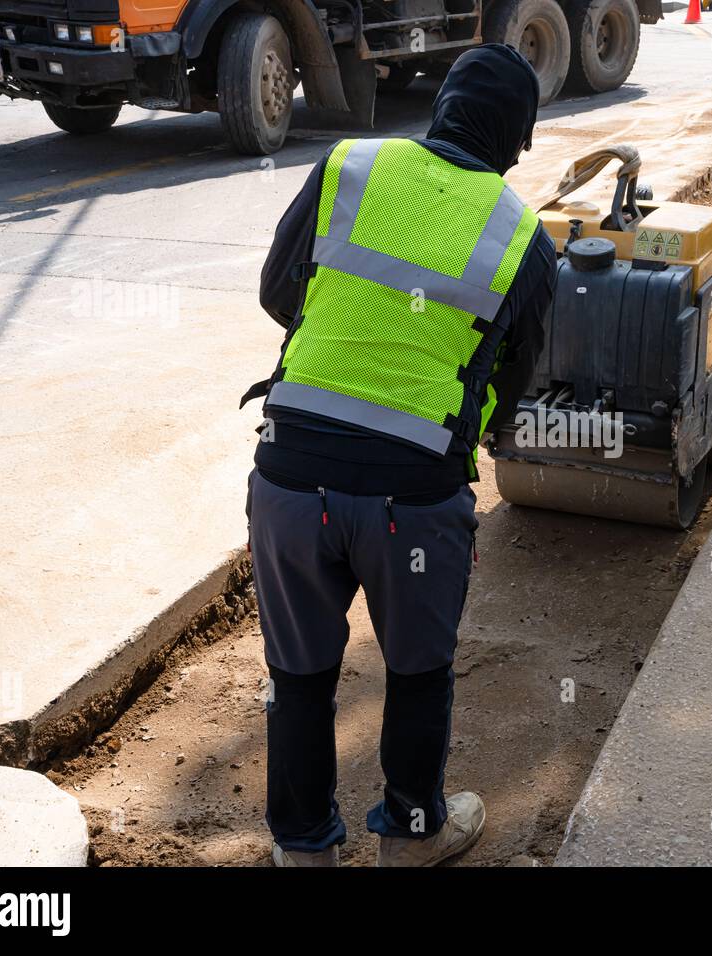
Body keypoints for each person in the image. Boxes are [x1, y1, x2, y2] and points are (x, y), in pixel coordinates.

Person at [240, 43, 556, 867]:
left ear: (441, 106)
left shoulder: (348, 165)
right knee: (418, 673)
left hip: (290, 477)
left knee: (298, 674)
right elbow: (512, 386)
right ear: (517, 142)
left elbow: (281, 293)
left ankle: (305, 849)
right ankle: (413, 837)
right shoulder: (524, 236)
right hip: (413, 500)